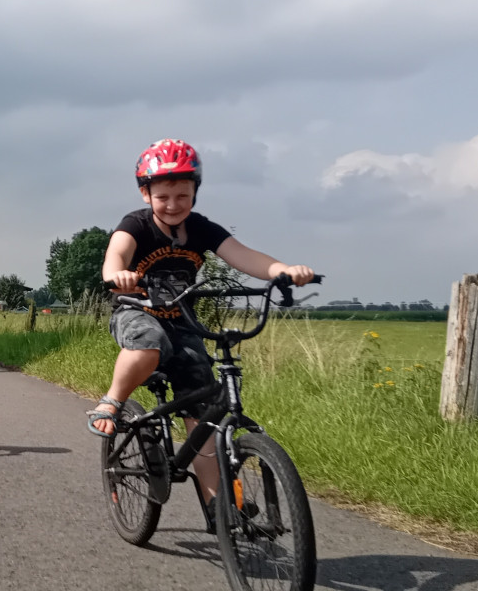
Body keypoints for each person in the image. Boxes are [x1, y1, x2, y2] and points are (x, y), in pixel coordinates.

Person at [86, 139, 315, 513]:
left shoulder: (201, 228)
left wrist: (282, 271)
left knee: (204, 416)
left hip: (184, 320)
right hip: (136, 310)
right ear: (146, 193)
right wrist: (118, 275)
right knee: (148, 341)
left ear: (195, 192)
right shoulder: (135, 224)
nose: (174, 205)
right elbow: (116, 255)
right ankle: (112, 402)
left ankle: (219, 509)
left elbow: (243, 256)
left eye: (183, 195)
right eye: (163, 196)